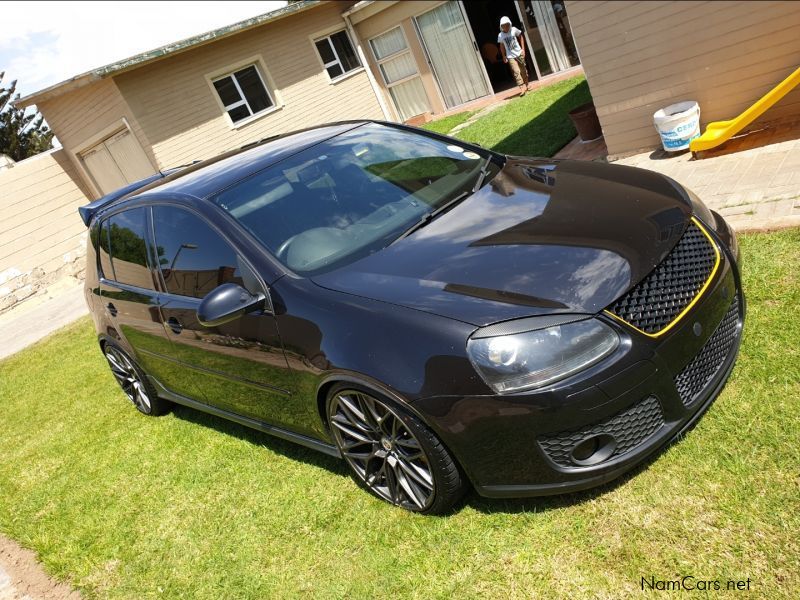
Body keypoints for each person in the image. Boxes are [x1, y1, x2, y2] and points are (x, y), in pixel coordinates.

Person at [497, 16, 529, 96]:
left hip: (519, 53)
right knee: (516, 72)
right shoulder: (500, 35)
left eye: (507, 25)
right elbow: (501, 46)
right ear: (501, 26)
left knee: (523, 70)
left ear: (509, 24)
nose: (506, 27)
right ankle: (522, 89)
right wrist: (504, 56)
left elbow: (521, 36)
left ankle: (527, 85)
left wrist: (523, 49)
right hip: (510, 56)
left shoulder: (514, 30)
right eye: (503, 25)